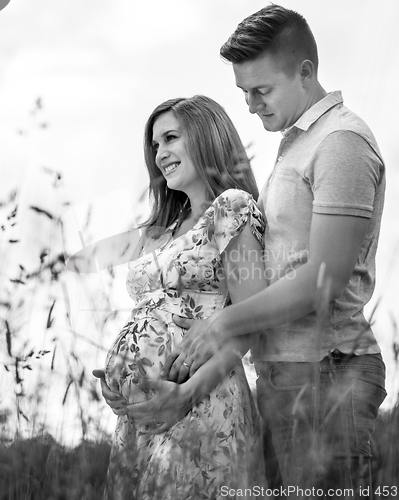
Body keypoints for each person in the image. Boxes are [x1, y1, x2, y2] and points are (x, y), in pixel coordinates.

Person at [122, 5, 387, 496]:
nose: (249, 104)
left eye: (261, 90)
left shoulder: (341, 142)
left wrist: (222, 323)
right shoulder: (296, 146)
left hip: (328, 374)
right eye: (243, 92)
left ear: (305, 72)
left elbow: (322, 282)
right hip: (284, 378)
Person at [95, 95, 268, 499]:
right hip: (141, 419)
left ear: (206, 137)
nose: (160, 154)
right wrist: (123, 377)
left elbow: (254, 319)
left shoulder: (230, 209)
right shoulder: (162, 228)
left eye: (170, 138)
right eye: (154, 145)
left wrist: (187, 394)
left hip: (200, 401)